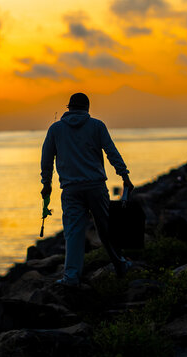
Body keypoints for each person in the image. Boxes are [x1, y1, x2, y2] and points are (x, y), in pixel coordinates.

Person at [40, 92, 134, 286]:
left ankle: (71, 277)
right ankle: (120, 264)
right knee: (106, 229)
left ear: (69, 108)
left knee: (73, 232)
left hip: (71, 189)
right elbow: (111, 152)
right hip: (96, 186)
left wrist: (46, 185)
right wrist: (124, 176)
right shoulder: (97, 126)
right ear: (87, 109)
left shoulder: (55, 129)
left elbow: (46, 161)